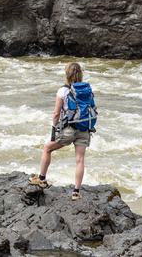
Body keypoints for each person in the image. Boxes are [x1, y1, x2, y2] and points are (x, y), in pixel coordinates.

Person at [29, 62, 93, 200]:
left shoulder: (63, 91)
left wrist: (54, 127)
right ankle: (76, 192)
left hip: (70, 129)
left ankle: (41, 179)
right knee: (80, 160)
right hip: (85, 128)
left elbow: (56, 114)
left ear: (67, 74)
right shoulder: (86, 89)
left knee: (47, 148)